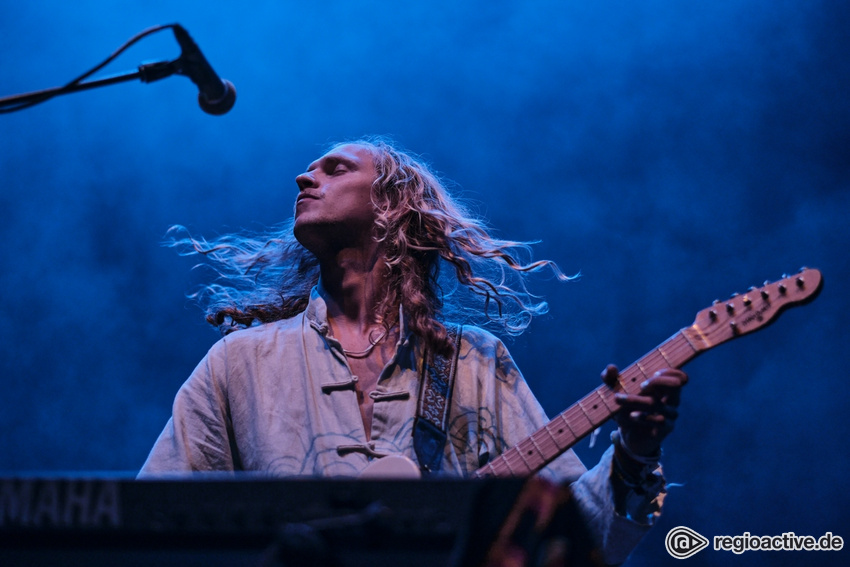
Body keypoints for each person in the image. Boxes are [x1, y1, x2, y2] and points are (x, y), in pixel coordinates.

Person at [139, 138, 687, 565]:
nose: (304, 177)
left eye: (336, 169)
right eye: (311, 169)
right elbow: (153, 524)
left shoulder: (473, 360)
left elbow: (573, 536)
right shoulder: (240, 363)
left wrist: (635, 453)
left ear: (392, 206)